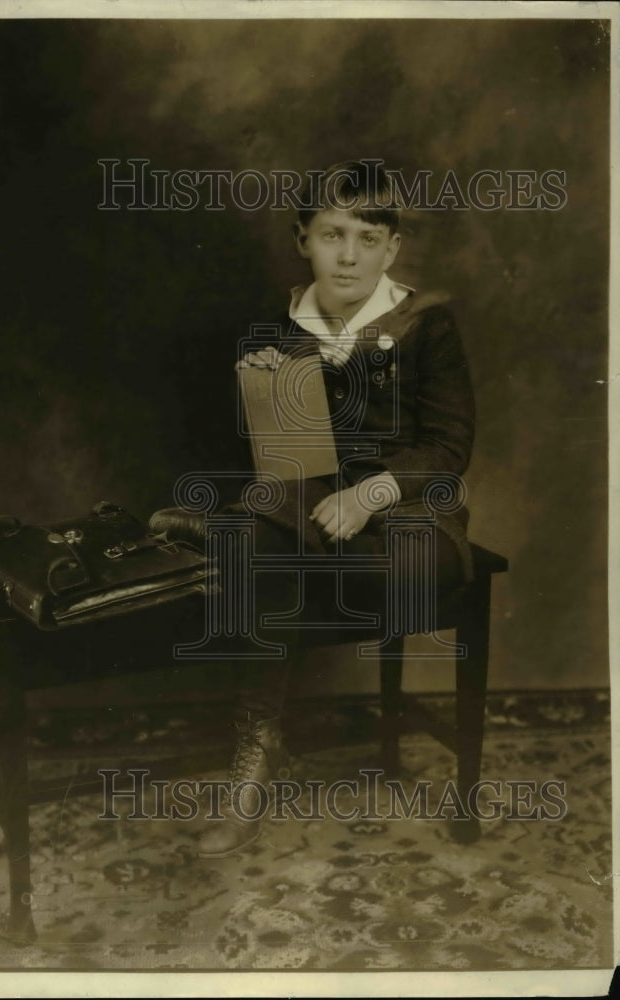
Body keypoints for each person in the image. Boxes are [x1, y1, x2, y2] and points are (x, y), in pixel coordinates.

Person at [153, 160, 475, 858]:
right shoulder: (285, 325)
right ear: (303, 239)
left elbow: (449, 447)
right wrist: (269, 401)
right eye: (332, 234)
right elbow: (294, 466)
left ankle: (229, 533)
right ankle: (259, 751)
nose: (349, 254)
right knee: (273, 513)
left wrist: (368, 494)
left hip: (412, 530)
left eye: (367, 236)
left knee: (263, 532)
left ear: (392, 247)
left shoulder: (428, 325)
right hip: (315, 525)